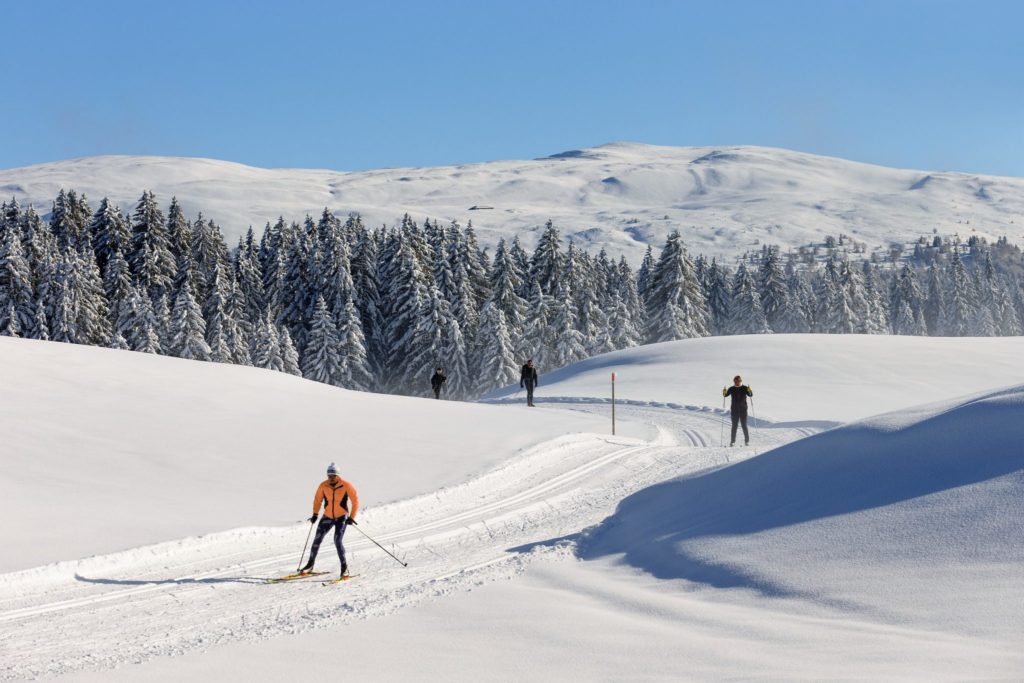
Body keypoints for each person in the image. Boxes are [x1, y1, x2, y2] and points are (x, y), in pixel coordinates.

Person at [300, 462, 359, 577]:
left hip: (341, 517)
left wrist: (351, 517)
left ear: (338, 475)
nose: (330, 478)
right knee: (317, 539)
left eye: (333, 476)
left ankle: (344, 567)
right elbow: (318, 500)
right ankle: (310, 564)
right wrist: (315, 514)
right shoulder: (323, 485)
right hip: (327, 516)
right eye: (329, 476)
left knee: (337, 541)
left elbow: (355, 501)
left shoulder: (346, 485)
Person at [722, 375, 753, 446]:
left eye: (738, 381)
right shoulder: (732, 388)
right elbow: (725, 395)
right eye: (735, 381)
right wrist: (724, 391)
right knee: (734, 426)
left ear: (740, 381)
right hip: (734, 410)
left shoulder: (745, 388)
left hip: (743, 410)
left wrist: (750, 390)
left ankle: (747, 441)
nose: (737, 383)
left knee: (744, 425)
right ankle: (732, 441)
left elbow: (750, 395)